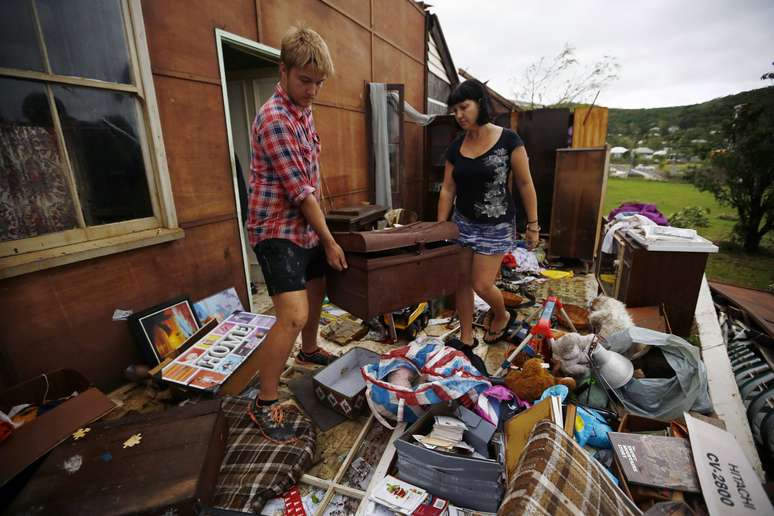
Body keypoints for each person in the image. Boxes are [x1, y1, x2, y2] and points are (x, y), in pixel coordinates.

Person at [246, 26, 347, 441]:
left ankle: (308, 351)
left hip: (304, 226)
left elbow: (312, 175)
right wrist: (329, 237)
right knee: (292, 314)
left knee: (317, 289)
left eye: (318, 82)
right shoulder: (275, 119)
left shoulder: (304, 111)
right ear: (283, 70)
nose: (312, 90)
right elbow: (300, 192)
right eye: (305, 80)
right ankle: (265, 400)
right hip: (275, 228)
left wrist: (322, 227)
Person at [437, 79, 539, 354]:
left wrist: (533, 225)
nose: (459, 115)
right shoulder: (456, 146)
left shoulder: (508, 140)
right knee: (461, 281)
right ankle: (467, 338)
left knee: (481, 284)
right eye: (454, 111)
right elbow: (448, 189)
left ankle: (502, 314)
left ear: (479, 103)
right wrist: (440, 226)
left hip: (496, 225)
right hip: (462, 223)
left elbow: (525, 184)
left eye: (463, 107)